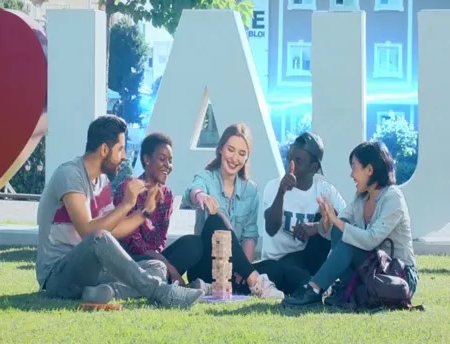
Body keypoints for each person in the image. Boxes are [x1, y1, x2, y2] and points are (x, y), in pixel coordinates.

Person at [36, 115, 204, 308]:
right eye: (120, 149)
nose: (124, 156)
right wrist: (126, 204)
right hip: (57, 275)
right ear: (104, 150)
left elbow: (113, 230)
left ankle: (105, 291)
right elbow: (88, 232)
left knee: (157, 267)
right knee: (99, 237)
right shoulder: (70, 175)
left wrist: (144, 212)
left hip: (93, 271)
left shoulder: (102, 182)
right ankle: (163, 293)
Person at [282, 141, 418, 307]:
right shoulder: (361, 198)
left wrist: (336, 221)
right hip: (373, 269)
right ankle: (341, 288)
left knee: (349, 240)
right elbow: (337, 229)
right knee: (341, 232)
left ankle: (314, 289)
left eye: (354, 167)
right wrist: (327, 222)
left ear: (369, 170)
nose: (351, 175)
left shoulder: (393, 197)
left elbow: (370, 240)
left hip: (398, 276)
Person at [182, 123, 290, 299]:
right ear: (220, 149)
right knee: (216, 220)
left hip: (233, 266)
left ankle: (214, 287)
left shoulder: (251, 190)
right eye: (230, 150)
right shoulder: (207, 177)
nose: (234, 158)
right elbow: (192, 191)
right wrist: (201, 195)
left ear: (247, 158)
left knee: (274, 267)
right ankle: (255, 282)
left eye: (241, 153)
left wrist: (243, 269)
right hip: (206, 265)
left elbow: (249, 235)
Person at [116, 132, 204, 286]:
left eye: (170, 161)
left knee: (194, 244)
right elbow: (132, 242)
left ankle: (161, 279)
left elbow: (161, 240)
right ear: (147, 159)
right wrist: (169, 267)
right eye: (162, 159)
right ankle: (163, 280)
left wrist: (164, 262)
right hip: (131, 259)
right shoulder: (129, 188)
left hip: (157, 259)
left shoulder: (167, 194)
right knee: (156, 264)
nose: (168, 165)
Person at [262, 132, 347, 276]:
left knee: (327, 215)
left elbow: (348, 223)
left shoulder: (325, 190)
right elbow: (271, 229)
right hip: (276, 263)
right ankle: (309, 283)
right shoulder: (273, 186)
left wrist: (317, 226)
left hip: (307, 263)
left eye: (298, 161)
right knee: (288, 273)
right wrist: (281, 192)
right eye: (290, 158)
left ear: (313, 167)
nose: (291, 165)